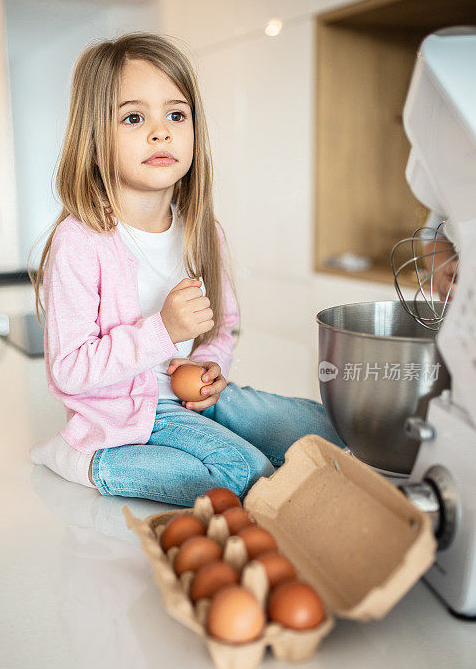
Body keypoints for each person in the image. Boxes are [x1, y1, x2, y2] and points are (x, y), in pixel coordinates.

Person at [29, 32, 344, 506]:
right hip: (129, 415)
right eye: (134, 118)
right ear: (94, 137)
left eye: (176, 115)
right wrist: (163, 329)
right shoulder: (81, 241)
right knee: (244, 471)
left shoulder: (200, 230)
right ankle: (86, 458)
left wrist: (212, 365)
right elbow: (69, 369)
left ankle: (221, 445)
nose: (161, 132)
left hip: (193, 399)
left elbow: (223, 327)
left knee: (327, 428)